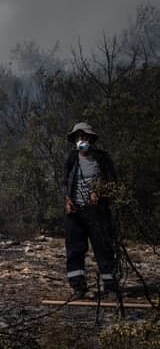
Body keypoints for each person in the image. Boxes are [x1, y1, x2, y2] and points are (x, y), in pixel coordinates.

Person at [63, 122, 118, 297]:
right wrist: (67, 199)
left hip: (97, 211)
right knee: (75, 249)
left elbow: (112, 181)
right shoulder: (72, 158)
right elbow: (65, 182)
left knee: (103, 247)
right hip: (75, 212)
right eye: (78, 137)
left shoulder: (102, 158)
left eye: (84, 137)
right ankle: (78, 287)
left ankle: (110, 286)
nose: (81, 140)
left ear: (90, 139)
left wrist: (100, 192)